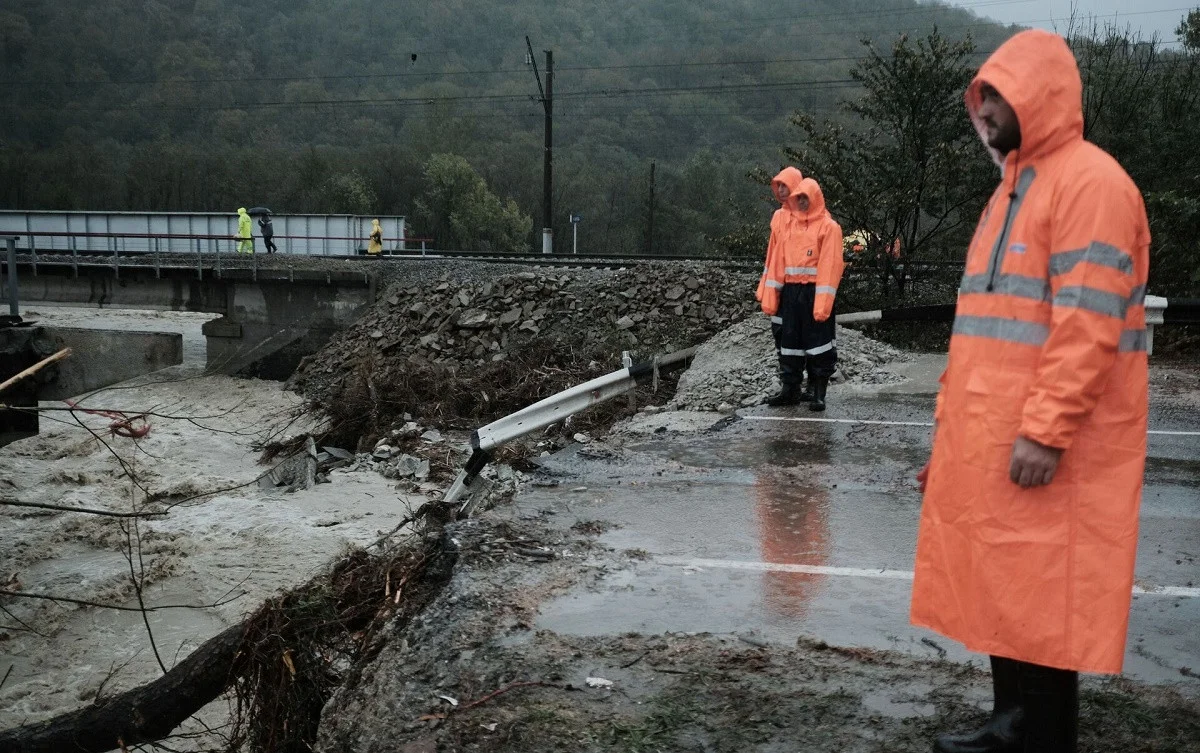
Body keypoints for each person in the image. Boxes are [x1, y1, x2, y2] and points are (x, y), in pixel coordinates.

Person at [910, 29, 1150, 753]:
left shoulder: (1091, 184)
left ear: (1039, 96)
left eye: (999, 97)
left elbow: (1088, 323)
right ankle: (1011, 722)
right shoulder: (1014, 189)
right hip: (991, 436)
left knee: (1045, 589)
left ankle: (1039, 731)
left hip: (1049, 443)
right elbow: (983, 331)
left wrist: (1046, 430)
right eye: (980, 98)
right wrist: (950, 436)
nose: (984, 112)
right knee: (1008, 584)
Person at [757, 171, 845, 411]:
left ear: (815, 198)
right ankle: (790, 390)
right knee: (790, 342)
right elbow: (775, 261)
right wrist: (769, 293)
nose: (802, 202)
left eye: (806, 198)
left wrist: (823, 303)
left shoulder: (829, 227)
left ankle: (818, 392)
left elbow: (830, 266)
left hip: (814, 291)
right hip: (791, 291)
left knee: (819, 343)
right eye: (800, 198)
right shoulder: (789, 227)